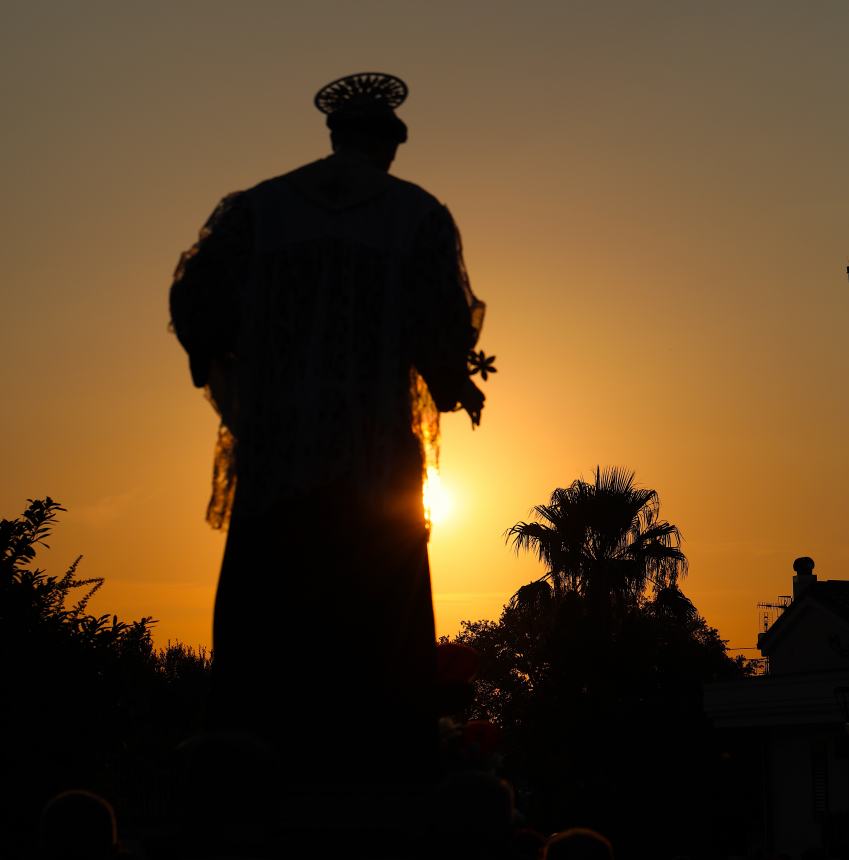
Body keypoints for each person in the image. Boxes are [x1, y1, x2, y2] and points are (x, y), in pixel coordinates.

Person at [169, 73, 491, 794]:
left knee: (266, 613)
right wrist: (451, 381)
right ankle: (378, 775)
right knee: (379, 611)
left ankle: (247, 771)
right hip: (371, 456)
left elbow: (196, 298)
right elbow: (440, 324)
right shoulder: (416, 215)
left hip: (279, 452)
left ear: (333, 137)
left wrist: (231, 362)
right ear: (386, 143)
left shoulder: (256, 209)